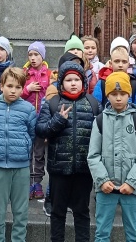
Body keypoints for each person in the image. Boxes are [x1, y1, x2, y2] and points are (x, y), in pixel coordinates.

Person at [36, 62, 99, 241]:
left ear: (83, 82)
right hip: (59, 170)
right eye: (68, 80)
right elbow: (40, 130)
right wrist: (58, 120)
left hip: (84, 170)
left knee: (82, 212)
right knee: (57, 213)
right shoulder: (53, 103)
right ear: (61, 83)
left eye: (77, 79)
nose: (73, 83)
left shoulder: (93, 104)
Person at [0, 67, 38, 242]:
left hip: (21, 168)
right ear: (2, 85)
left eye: (18, 87)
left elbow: (32, 134)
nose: (13, 90)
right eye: (10, 86)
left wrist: (23, 148)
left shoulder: (27, 109)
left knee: (21, 212)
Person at [88, 72, 136, 242]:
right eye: (114, 94)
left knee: (132, 233)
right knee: (102, 233)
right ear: (108, 95)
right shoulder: (100, 121)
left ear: (129, 94)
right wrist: (102, 180)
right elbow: (93, 155)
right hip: (106, 188)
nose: (119, 98)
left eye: (122, 94)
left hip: (130, 188)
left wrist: (132, 182)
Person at [22, 41, 51, 199]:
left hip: (42, 120)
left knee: (39, 153)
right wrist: (28, 89)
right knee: (27, 152)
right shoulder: (24, 73)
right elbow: (17, 94)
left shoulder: (49, 74)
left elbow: (52, 94)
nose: (33, 58)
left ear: (42, 56)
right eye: (30, 55)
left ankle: (38, 182)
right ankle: (27, 182)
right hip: (27, 120)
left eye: (36, 55)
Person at [94, 38, 136, 112]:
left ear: (129, 64)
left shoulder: (132, 83)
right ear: (110, 63)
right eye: (117, 61)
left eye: (124, 62)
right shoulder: (103, 82)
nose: (120, 65)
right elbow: (96, 105)